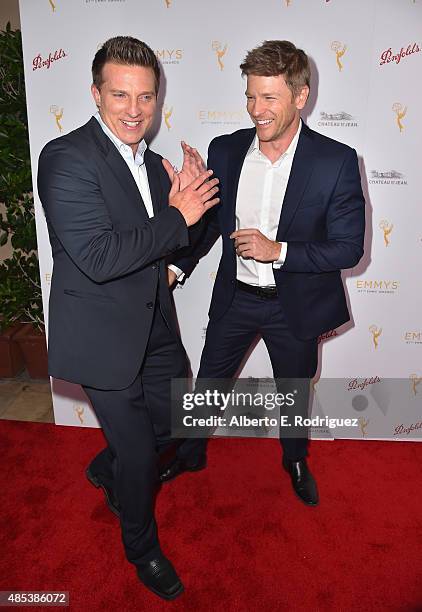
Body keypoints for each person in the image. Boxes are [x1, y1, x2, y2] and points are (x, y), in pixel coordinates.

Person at [37, 36, 219, 601]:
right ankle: (142, 547)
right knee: (141, 455)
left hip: (155, 323)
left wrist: (193, 204)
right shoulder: (66, 158)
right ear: (96, 94)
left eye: (146, 96)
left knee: (175, 421)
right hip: (101, 335)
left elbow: (190, 231)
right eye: (120, 95)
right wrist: (175, 214)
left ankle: (105, 465)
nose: (135, 109)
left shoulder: (156, 165)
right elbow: (97, 257)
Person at [162, 40, 365, 507]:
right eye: (251, 96)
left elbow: (349, 248)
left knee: (293, 393)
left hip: (295, 306)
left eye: (269, 97)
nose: (257, 109)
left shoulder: (335, 161)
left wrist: (280, 251)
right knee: (208, 382)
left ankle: (294, 459)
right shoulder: (227, 150)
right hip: (236, 298)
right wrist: (176, 264)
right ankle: (190, 450)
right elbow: (212, 222)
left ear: (300, 96)